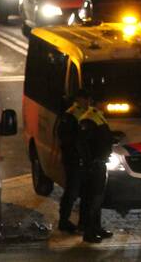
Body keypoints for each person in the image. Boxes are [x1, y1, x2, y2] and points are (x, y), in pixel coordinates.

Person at [76, 93, 116, 243]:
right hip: (93, 165)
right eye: (103, 102)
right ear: (96, 103)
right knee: (91, 199)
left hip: (100, 162)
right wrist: (90, 162)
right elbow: (83, 144)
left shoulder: (98, 116)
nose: (105, 105)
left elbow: (101, 138)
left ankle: (96, 228)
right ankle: (89, 232)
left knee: (98, 198)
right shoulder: (89, 118)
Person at [56, 89, 89, 234]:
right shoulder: (71, 114)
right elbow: (66, 138)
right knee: (72, 191)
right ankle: (64, 221)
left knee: (83, 191)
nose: (88, 102)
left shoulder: (84, 112)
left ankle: (82, 222)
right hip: (74, 159)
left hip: (82, 158)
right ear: (79, 99)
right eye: (86, 99)